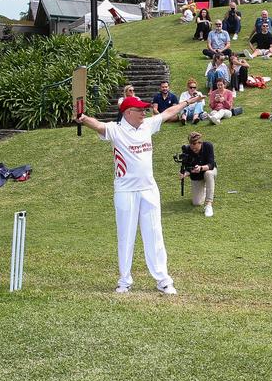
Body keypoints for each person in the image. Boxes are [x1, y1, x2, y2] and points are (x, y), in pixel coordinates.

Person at [76, 92, 202, 294]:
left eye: (144, 109)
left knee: (155, 234)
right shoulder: (115, 130)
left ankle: (163, 280)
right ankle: (124, 281)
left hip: (149, 189)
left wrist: (188, 102)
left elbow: (169, 112)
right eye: (139, 109)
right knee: (125, 236)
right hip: (125, 191)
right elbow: (98, 125)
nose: (144, 112)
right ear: (127, 112)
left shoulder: (147, 125)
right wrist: (83, 119)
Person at [179, 131, 217, 217]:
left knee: (208, 174)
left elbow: (211, 165)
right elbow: (188, 168)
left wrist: (200, 168)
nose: (194, 150)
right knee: (197, 203)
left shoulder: (208, 146)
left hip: (209, 171)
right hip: (196, 176)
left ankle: (209, 204)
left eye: (196, 148)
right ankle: (206, 190)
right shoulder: (187, 150)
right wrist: (185, 174)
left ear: (200, 143)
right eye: (192, 148)